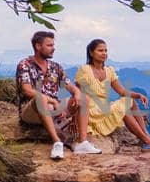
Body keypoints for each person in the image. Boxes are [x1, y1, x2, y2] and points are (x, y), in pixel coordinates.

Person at [16, 30, 99, 160]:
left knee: (84, 98)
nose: (53, 49)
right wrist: (51, 100)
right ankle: (57, 142)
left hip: (53, 109)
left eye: (53, 45)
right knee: (41, 98)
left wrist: (77, 94)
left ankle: (82, 143)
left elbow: (71, 87)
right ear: (38, 46)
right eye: (49, 45)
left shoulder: (56, 67)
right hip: (32, 111)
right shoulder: (25, 64)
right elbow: (27, 90)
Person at [76, 39, 150, 150]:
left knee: (130, 101)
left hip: (104, 109)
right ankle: (147, 140)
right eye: (100, 50)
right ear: (91, 53)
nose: (104, 53)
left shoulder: (109, 71)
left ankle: (146, 136)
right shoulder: (85, 70)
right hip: (92, 112)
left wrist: (138, 95)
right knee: (122, 108)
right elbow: (77, 93)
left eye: (106, 50)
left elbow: (122, 91)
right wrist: (74, 115)